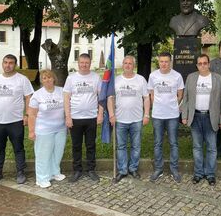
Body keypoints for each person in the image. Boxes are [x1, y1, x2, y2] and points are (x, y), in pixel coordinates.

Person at [0, 54, 34, 185]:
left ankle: (20, 172)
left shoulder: (22, 80)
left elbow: (28, 97)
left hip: (15, 122)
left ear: (15, 65)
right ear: (2, 63)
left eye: (11, 63)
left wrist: (27, 115)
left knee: (18, 148)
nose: (8, 65)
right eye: (5, 62)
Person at [181, 54, 221, 185]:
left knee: (212, 148)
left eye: (205, 63)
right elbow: (186, 98)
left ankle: (211, 174)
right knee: (197, 147)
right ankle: (198, 173)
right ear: (197, 65)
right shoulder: (191, 77)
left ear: (209, 64)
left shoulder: (218, 79)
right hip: (195, 117)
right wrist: (184, 116)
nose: (202, 65)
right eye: (200, 63)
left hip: (211, 117)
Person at [107, 56, 150, 183]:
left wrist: (146, 114)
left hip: (136, 119)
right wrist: (111, 115)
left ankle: (133, 168)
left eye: (130, 63)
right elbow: (110, 98)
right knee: (121, 146)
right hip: (120, 119)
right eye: (125, 63)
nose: (127, 65)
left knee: (136, 146)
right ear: (123, 65)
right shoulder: (116, 80)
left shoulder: (140, 80)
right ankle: (122, 170)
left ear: (134, 65)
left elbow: (146, 98)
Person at [63, 53, 102, 182]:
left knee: (91, 145)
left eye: (86, 63)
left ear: (90, 64)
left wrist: (100, 114)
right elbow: (66, 98)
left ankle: (91, 169)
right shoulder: (71, 78)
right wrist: (68, 117)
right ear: (78, 63)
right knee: (76, 146)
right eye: (82, 62)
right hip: (75, 117)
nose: (84, 65)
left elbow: (101, 98)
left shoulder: (96, 77)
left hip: (91, 117)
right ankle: (77, 170)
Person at [147, 51, 184, 183]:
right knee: (158, 143)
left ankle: (174, 169)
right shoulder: (153, 76)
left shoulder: (177, 76)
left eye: (166, 61)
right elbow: (151, 94)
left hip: (173, 115)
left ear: (170, 62)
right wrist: (156, 105)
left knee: (173, 143)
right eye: (161, 61)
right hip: (157, 115)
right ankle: (158, 169)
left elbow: (180, 94)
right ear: (159, 62)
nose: (164, 64)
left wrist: (173, 105)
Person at [28, 70, 67, 188]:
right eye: (44, 78)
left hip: (60, 128)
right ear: (41, 80)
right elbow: (32, 114)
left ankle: (54, 172)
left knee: (57, 152)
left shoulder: (61, 91)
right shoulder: (37, 95)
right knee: (43, 154)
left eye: (49, 77)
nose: (47, 80)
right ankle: (41, 178)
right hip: (44, 129)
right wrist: (31, 131)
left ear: (54, 78)